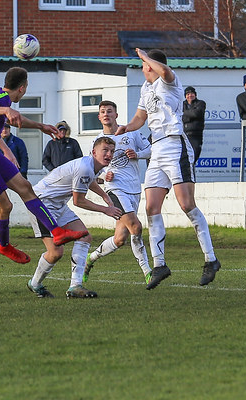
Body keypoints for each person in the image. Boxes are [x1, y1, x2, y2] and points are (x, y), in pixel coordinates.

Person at [0, 67, 88, 267]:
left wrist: (41, 126)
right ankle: (4, 246)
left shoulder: (3, 99)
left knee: (26, 187)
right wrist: (5, 110)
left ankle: (57, 232)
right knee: (6, 206)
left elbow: (17, 120)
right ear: (23, 87)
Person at [115, 48, 220, 288]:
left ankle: (211, 259)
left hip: (175, 145)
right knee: (151, 207)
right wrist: (127, 127)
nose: (143, 68)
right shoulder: (145, 88)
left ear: (150, 65)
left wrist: (145, 56)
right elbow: (140, 118)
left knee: (186, 204)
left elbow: (164, 70)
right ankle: (160, 264)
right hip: (157, 148)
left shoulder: (169, 81)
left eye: (144, 64)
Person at [27, 137, 123, 298]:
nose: (109, 154)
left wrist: (104, 195)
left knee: (84, 236)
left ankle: (75, 286)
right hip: (41, 203)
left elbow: (89, 180)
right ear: (94, 152)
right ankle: (35, 284)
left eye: (112, 151)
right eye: (105, 150)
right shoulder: (85, 167)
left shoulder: (92, 166)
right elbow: (78, 201)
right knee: (56, 252)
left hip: (58, 204)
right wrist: (105, 209)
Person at [83, 100, 153, 282]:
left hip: (134, 189)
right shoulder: (96, 141)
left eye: (109, 111)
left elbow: (151, 150)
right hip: (115, 189)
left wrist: (138, 154)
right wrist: (104, 174)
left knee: (120, 238)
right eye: (102, 112)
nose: (106, 114)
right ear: (99, 117)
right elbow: (91, 168)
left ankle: (90, 259)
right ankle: (148, 272)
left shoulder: (130, 132)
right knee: (136, 226)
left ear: (116, 115)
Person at [182, 86, 206, 165]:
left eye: (192, 93)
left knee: (193, 158)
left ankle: (191, 173)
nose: (190, 95)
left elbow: (196, 114)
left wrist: (185, 114)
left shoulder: (201, 103)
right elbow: (180, 117)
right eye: (188, 94)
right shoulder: (182, 104)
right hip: (184, 136)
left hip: (196, 136)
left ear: (195, 95)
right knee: (184, 160)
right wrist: (190, 115)